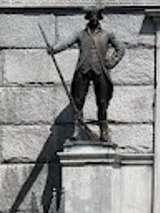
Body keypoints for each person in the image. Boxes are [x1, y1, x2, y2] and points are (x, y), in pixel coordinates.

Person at [49, 9, 125, 143]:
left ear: (99, 19)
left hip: (100, 70)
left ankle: (104, 130)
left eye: (96, 18)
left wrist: (111, 62)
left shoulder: (107, 34)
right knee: (78, 101)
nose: (94, 20)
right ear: (88, 19)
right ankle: (78, 130)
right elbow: (66, 43)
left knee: (102, 102)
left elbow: (121, 48)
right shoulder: (80, 34)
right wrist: (54, 49)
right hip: (83, 70)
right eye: (91, 18)